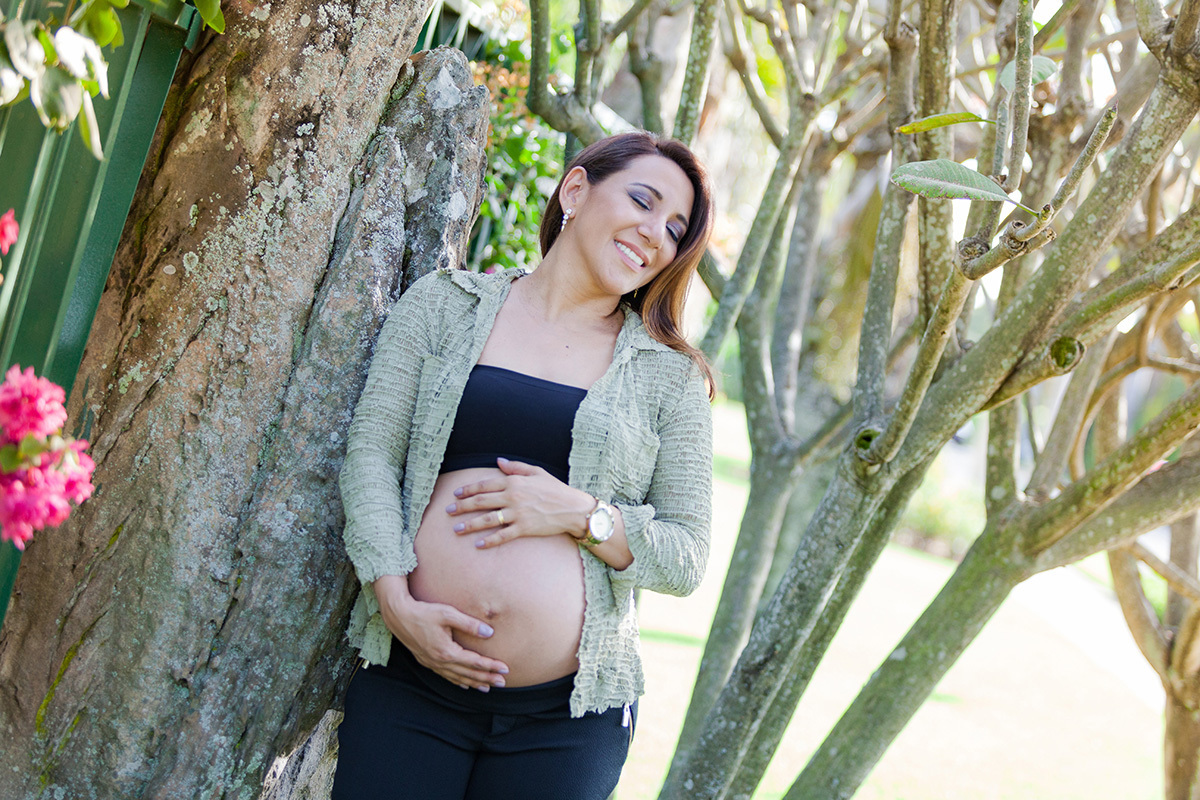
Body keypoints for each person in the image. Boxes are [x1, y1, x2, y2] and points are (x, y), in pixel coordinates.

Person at [333, 131, 715, 800]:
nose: (656, 233)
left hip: (565, 723)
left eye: (675, 229)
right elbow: (372, 453)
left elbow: (686, 556)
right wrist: (394, 602)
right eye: (643, 201)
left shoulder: (671, 378)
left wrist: (580, 515)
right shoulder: (443, 304)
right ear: (576, 190)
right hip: (410, 681)